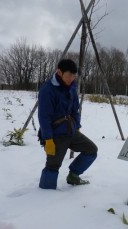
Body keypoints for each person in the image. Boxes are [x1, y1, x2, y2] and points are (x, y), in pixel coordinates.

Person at [38, 59, 98, 189]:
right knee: (53, 166)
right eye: (69, 75)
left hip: (71, 130)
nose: (71, 79)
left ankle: (73, 175)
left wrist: (76, 126)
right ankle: (45, 194)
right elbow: (44, 117)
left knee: (91, 150)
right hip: (56, 135)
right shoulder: (47, 90)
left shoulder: (71, 88)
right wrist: (48, 139)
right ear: (59, 72)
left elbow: (75, 109)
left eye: (74, 76)